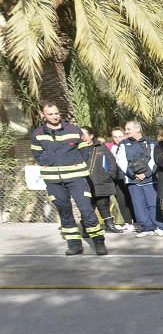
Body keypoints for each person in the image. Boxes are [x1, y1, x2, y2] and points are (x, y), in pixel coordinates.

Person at [29, 102, 108, 255]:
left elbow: (84, 149)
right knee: (64, 211)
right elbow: (37, 155)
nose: (54, 116)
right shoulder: (37, 134)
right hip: (53, 180)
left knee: (86, 210)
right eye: (50, 114)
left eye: (56, 113)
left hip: (76, 178)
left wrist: (77, 163)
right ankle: (74, 245)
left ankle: (98, 241)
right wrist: (49, 160)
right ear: (43, 115)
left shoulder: (74, 130)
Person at [115, 120, 163, 237]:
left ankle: (158, 226)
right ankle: (146, 227)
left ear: (137, 129)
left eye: (128, 129)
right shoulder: (123, 144)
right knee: (138, 205)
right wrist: (133, 174)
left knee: (153, 204)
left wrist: (146, 174)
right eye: (126, 129)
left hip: (150, 179)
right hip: (133, 180)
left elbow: (155, 159)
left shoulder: (151, 142)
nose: (126, 131)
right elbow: (121, 161)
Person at [80, 127, 125, 234]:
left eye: (83, 134)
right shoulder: (77, 149)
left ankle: (109, 225)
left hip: (101, 182)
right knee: (87, 207)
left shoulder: (101, 147)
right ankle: (87, 229)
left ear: (91, 136)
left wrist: (109, 176)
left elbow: (112, 163)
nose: (81, 136)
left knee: (103, 204)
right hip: (84, 183)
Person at [108, 128, 135, 231]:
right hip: (116, 178)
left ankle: (136, 221)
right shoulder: (109, 148)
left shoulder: (129, 145)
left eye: (120, 136)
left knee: (132, 199)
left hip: (129, 176)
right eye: (115, 137)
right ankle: (127, 221)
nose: (117, 139)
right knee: (121, 200)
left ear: (124, 136)